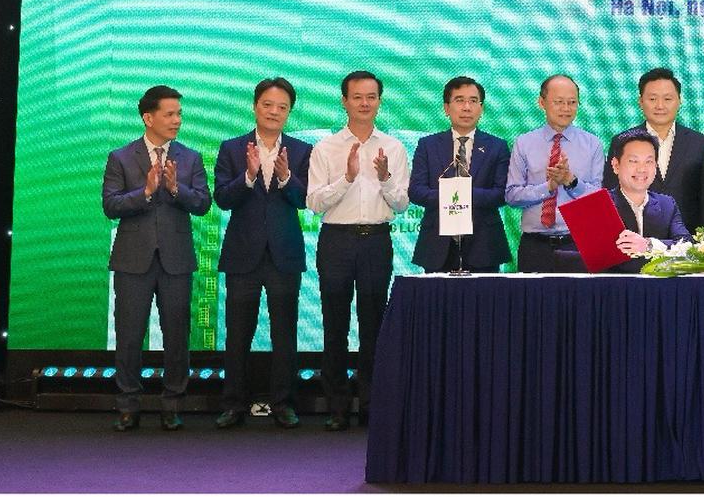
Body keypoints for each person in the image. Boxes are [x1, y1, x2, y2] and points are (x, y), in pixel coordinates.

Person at [101, 84, 211, 431]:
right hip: (133, 261)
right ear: (148, 118)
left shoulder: (190, 157)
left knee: (177, 334)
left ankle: (172, 404)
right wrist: (146, 192)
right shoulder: (121, 157)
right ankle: (128, 405)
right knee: (129, 335)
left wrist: (176, 188)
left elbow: (203, 203)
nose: (177, 120)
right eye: (170, 114)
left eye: (179, 114)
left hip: (176, 261)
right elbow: (110, 205)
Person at [306, 70, 410, 431]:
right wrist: (347, 178)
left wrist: (384, 178)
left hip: (376, 241)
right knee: (334, 325)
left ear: (379, 101)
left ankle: (371, 404)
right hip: (336, 240)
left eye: (371, 97)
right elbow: (314, 203)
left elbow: (401, 204)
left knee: (374, 325)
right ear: (344, 101)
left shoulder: (393, 148)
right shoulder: (326, 147)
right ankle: (336, 406)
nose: (365, 103)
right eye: (357, 97)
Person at [213, 78, 311, 430]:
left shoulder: (301, 151)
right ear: (255, 107)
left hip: (284, 254)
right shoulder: (232, 148)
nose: (274, 112)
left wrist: (285, 179)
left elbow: (305, 200)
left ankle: (284, 403)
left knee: (285, 333)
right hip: (243, 255)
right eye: (268, 105)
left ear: (289, 112)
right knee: (238, 333)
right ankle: (233, 404)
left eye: (282, 107)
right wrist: (249, 176)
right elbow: (222, 198)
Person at [409, 76, 511, 274]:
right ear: (447, 108)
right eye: (459, 100)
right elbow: (416, 191)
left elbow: (502, 193)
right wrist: (450, 195)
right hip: (437, 245)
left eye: (473, 101)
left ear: (481, 108)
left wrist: (464, 194)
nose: (466, 107)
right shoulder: (427, 145)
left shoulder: (497, 146)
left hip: (484, 246)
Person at [505, 74, 605, 272]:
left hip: (578, 244)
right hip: (535, 246)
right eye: (559, 102)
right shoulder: (524, 143)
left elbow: (599, 199)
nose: (566, 108)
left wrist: (571, 181)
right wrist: (548, 187)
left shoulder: (592, 144)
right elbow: (512, 196)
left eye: (572, 102)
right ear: (541, 102)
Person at [605, 67, 704, 233]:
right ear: (640, 101)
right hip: (634, 237)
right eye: (652, 98)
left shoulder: (700, 143)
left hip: (686, 239)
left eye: (667, 98)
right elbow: (611, 193)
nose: (660, 105)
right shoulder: (622, 141)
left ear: (679, 101)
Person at [609, 129, 691, 268]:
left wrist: (649, 245)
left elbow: (687, 244)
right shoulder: (599, 205)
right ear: (616, 165)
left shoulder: (667, 204)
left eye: (649, 161)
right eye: (633, 161)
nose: (642, 169)